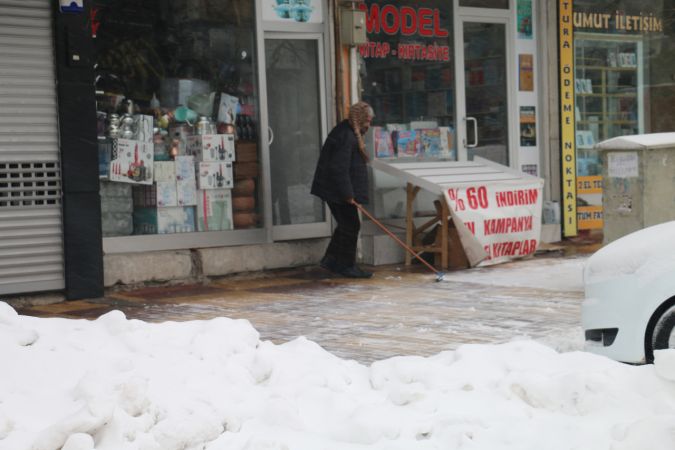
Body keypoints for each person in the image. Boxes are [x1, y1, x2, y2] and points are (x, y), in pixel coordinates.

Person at [311, 101, 374, 278]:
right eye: (367, 121)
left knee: (347, 224)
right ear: (360, 119)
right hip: (336, 189)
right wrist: (348, 195)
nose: (369, 125)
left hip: (336, 188)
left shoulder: (348, 132)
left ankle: (331, 260)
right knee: (351, 225)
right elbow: (339, 168)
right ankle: (346, 265)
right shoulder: (346, 136)